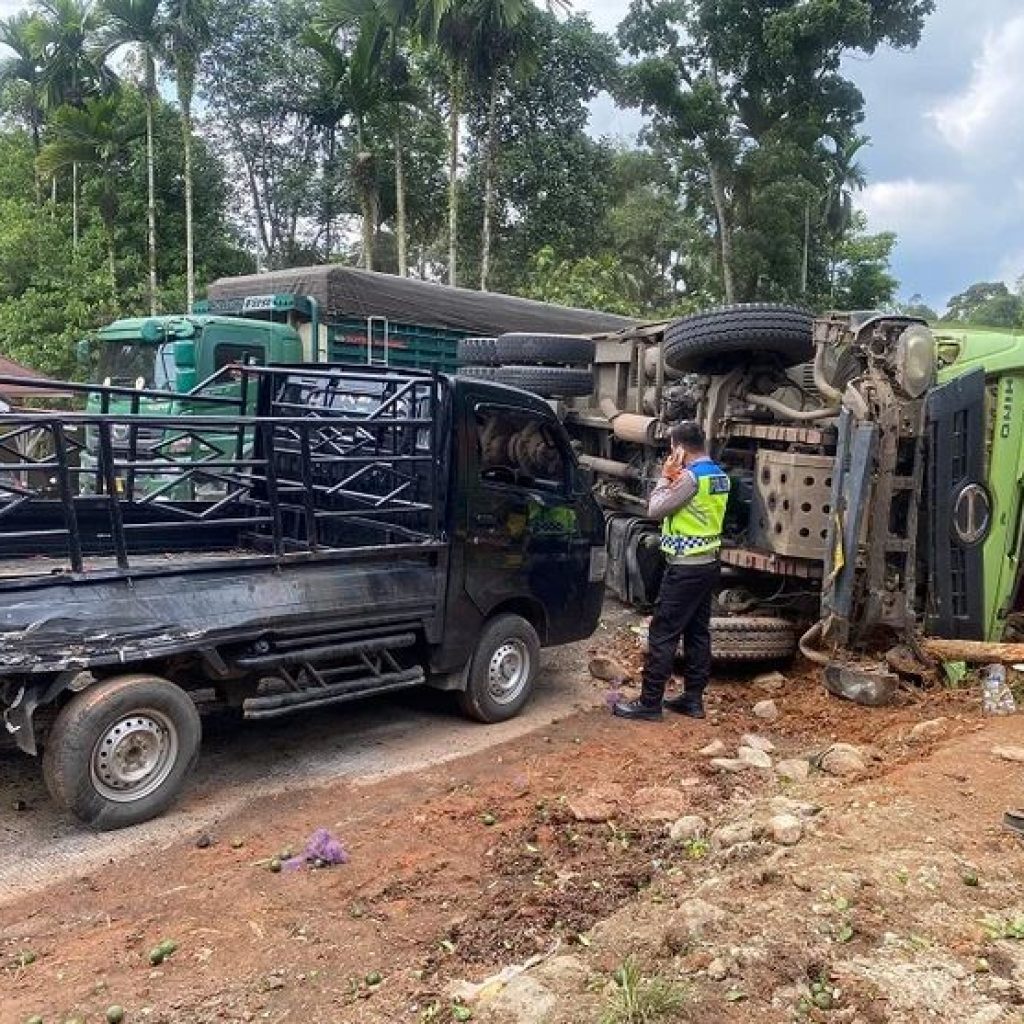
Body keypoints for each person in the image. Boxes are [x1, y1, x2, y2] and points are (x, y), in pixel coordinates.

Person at [613, 420, 730, 721]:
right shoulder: (718, 475)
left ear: (678, 449)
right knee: (697, 633)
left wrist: (666, 477)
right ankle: (693, 699)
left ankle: (650, 703)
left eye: (670, 448)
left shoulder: (691, 478)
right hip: (708, 564)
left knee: (663, 632)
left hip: (685, 568)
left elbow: (655, 509)